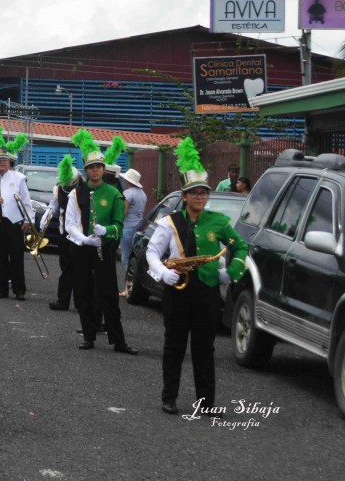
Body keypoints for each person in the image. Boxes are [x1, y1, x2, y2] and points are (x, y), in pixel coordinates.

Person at [146, 137, 248, 415]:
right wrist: (162, 273)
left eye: (203, 192)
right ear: (184, 195)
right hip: (177, 291)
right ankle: (169, 398)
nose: (200, 196)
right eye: (194, 193)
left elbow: (240, 245)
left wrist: (231, 272)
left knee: (205, 349)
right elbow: (151, 253)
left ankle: (206, 404)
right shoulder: (170, 223)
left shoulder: (218, 221)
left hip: (207, 293)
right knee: (174, 346)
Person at [65, 130, 138, 355]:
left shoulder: (114, 193)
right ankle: (88, 336)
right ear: (86, 170)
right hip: (81, 248)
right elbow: (70, 224)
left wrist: (106, 231)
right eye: (91, 167)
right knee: (83, 292)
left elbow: (119, 226)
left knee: (107, 294)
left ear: (104, 169)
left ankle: (119, 341)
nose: (95, 170)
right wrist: (84, 238)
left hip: (104, 249)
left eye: (98, 166)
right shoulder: (76, 194)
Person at [0, 129, 32, 300]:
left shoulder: (18, 178)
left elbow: (26, 200)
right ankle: (2, 289)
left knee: (17, 257)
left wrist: (28, 219)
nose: (2, 163)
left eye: (4, 160)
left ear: (9, 161)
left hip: (15, 222)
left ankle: (19, 290)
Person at [41, 156, 80, 311]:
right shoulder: (58, 188)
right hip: (64, 233)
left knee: (80, 270)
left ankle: (80, 303)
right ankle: (62, 301)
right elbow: (54, 205)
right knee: (65, 268)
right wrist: (46, 218)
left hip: (80, 235)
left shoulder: (84, 188)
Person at [119, 168, 147, 273]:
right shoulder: (143, 194)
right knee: (134, 255)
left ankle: (128, 280)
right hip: (139, 226)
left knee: (125, 256)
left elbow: (124, 212)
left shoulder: (127, 193)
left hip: (127, 227)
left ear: (128, 181)